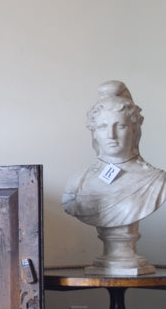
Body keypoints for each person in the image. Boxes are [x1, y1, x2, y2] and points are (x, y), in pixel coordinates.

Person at [62, 80, 166, 228]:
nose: (111, 135)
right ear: (94, 132)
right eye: (103, 127)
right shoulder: (78, 183)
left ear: (134, 130)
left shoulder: (156, 180)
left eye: (121, 126)